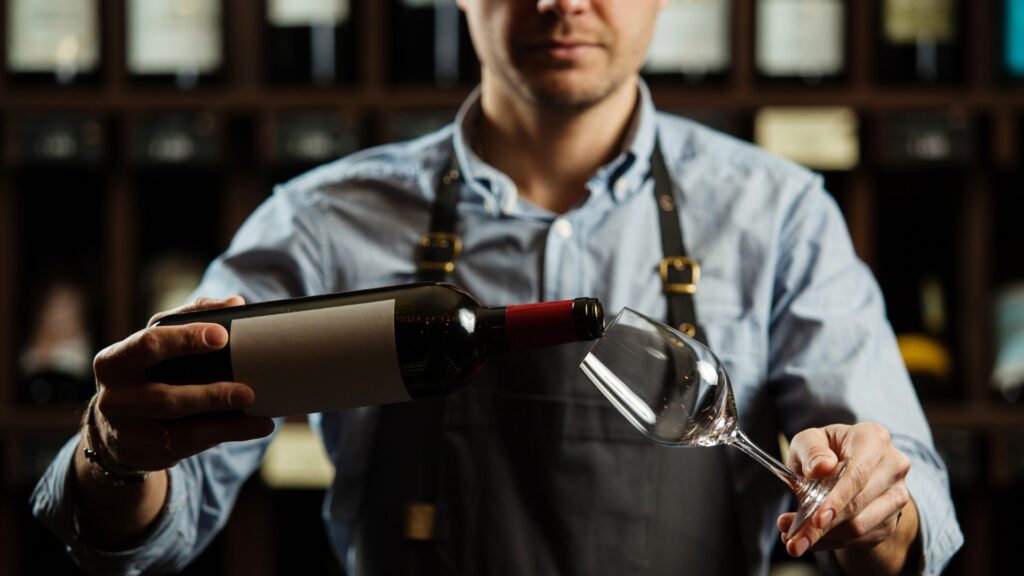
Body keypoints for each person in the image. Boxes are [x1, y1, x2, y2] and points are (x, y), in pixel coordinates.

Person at [32, 0, 963, 574]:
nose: (562, 3)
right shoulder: (321, 220)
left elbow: (906, 511)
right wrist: (117, 455)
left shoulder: (779, 214)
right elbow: (150, 525)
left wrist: (869, 506)